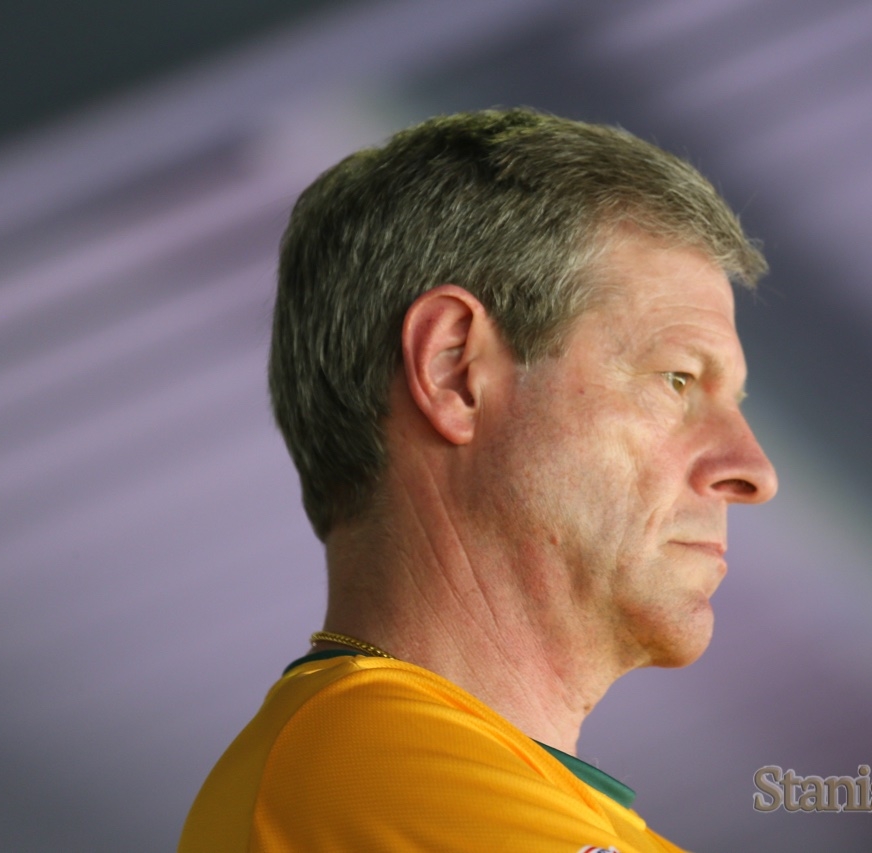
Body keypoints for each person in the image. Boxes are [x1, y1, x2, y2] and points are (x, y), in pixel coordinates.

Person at [179, 108, 778, 852]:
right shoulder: (374, 771)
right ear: (455, 371)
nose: (753, 470)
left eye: (733, 402)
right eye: (677, 379)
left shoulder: (436, 782)